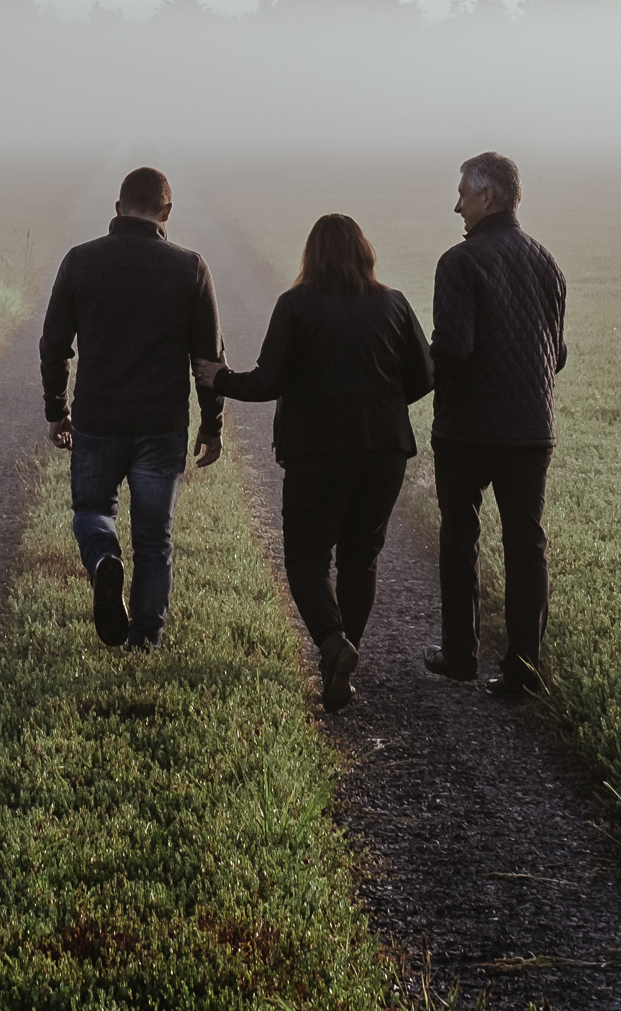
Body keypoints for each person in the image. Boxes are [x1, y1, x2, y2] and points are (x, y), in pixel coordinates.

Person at [193, 214, 433, 712]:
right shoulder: (393, 303)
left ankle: (331, 642)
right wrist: (382, 402)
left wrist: (221, 379)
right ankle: (344, 654)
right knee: (360, 557)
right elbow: (425, 375)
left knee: (306, 557)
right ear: (365, 253)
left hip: (317, 451)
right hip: (384, 447)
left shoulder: (296, 305)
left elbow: (269, 380)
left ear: (310, 256)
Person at [40, 166, 224, 651]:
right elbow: (207, 359)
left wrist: (56, 408)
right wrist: (212, 422)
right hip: (161, 425)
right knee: (154, 538)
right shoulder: (190, 267)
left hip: (98, 420)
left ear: (117, 209)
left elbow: (54, 344)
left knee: (93, 510)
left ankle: (102, 560)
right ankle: (145, 638)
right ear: (166, 211)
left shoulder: (79, 262)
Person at [423, 152, 567, 697]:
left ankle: (460, 655)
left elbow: (454, 350)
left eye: (462, 193)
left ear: (488, 198)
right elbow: (557, 354)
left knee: (461, 536)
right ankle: (524, 671)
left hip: (467, 428)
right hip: (532, 428)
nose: (456, 204)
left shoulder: (459, 263)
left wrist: (413, 376)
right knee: (526, 544)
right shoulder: (547, 262)